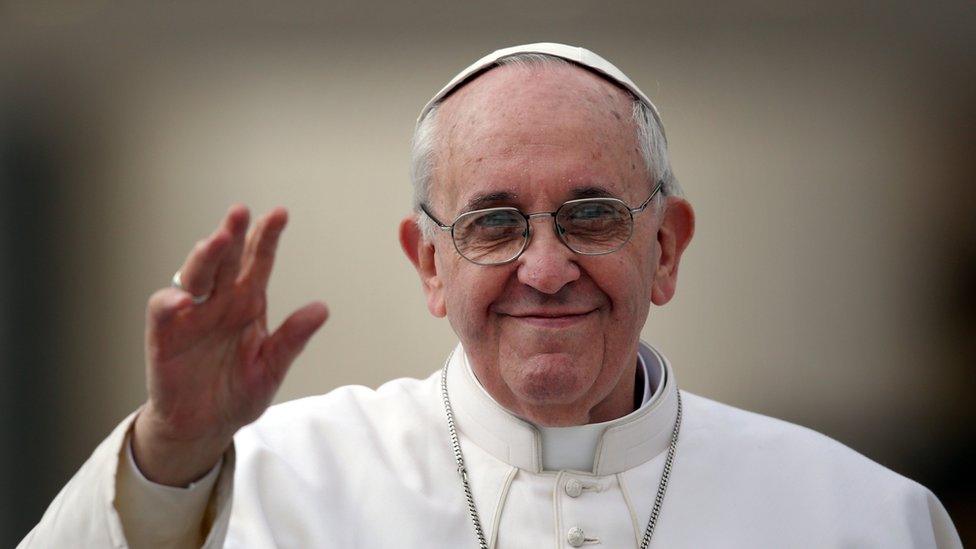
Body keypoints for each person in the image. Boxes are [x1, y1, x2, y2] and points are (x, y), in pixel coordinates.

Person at [20, 43, 961, 548]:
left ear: (666, 247)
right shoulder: (270, 486)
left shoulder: (862, 518)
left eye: (590, 216)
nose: (545, 269)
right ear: (429, 264)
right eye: (494, 223)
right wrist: (169, 454)